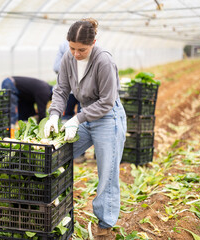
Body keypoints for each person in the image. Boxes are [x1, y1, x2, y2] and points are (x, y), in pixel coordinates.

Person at [44, 18, 127, 238]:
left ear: (94, 43)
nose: (76, 54)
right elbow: (61, 90)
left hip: (108, 118)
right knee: (57, 154)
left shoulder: (103, 61)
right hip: (84, 116)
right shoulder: (68, 58)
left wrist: (76, 119)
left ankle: (105, 224)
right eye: (72, 48)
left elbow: (108, 101)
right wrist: (54, 116)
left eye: (82, 49)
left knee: (107, 172)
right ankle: (50, 207)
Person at [53, 40, 82, 121]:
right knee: (81, 120)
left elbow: (56, 67)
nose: (76, 54)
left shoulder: (64, 45)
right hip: (77, 91)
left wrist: (67, 71)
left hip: (70, 91)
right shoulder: (93, 45)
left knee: (67, 117)